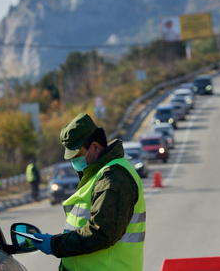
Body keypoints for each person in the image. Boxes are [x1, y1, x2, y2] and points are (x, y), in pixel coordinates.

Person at [32, 113, 146, 270]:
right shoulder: (98, 175)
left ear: (95, 147)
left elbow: (101, 233)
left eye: (78, 155)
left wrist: (54, 244)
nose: (74, 161)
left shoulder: (113, 178)